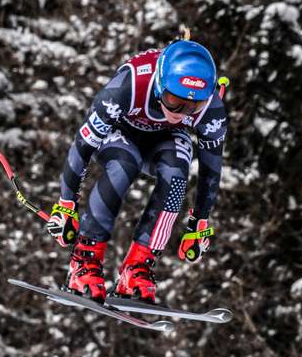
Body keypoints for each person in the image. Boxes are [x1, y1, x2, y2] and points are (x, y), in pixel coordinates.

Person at [45, 38, 228, 304]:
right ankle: (85, 259)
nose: (180, 112)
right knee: (124, 164)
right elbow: (83, 145)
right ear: (160, 84)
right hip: (120, 133)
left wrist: (199, 224)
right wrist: (66, 205)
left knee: (178, 170)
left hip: (165, 140)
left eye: (193, 107)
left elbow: (211, 169)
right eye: (173, 100)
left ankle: (138, 267)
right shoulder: (128, 86)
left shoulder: (211, 108)